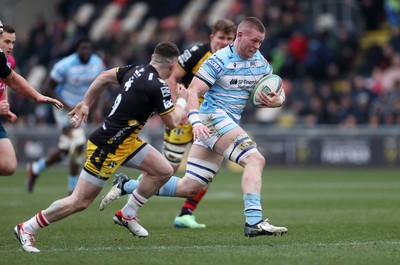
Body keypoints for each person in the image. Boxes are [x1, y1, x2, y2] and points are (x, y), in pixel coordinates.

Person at [102, 17, 288, 238]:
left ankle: (127, 190)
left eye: (261, 42)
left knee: (190, 187)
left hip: (223, 123)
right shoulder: (218, 60)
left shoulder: (259, 61)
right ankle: (254, 222)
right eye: (254, 41)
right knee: (255, 159)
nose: (257, 46)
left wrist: (279, 100)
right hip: (212, 118)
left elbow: (276, 86)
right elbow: (193, 91)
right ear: (240, 36)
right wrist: (196, 121)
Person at [13, 41, 188, 252]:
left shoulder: (135, 69)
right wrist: (182, 101)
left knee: (163, 170)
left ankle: (127, 214)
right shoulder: (157, 85)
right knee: (79, 201)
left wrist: (86, 102)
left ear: (153, 57)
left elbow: (104, 76)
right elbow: (172, 122)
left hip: (126, 142)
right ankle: (27, 227)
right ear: (171, 66)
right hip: (108, 146)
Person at [99, 19, 237, 229]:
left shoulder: (233, 58)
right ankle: (129, 193)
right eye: (221, 38)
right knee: (167, 170)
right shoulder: (197, 53)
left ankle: (185, 213)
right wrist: (174, 106)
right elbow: (172, 76)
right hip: (185, 116)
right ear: (212, 37)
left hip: (209, 118)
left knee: (207, 171)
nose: (225, 42)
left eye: (229, 39)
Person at [26, 37, 106, 194]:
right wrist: (68, 106)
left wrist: (98, 109)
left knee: (64, 151)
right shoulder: (64, 65)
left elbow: (102, 85)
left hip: (83, 108)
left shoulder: (97, 63)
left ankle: (35, 169)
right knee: (77, 141)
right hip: (64, 108)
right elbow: (47, 87)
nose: (86, 51)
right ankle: (72, 187)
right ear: (77, 50)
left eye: (88, 48)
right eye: (82, 48)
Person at [0, 20, 63, 176]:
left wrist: (38, 96)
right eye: (5, 40)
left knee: (8, 165)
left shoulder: (3, 59)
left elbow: (11, 80)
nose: (10, 46)